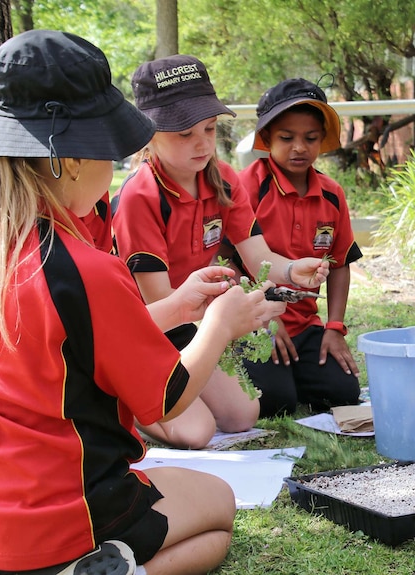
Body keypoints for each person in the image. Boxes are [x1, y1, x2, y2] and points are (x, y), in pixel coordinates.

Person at [0, 30, 271, 575]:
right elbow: (166, 400)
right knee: (219, 510)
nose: (116, 168)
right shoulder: (83, 268)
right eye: (111, 151)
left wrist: (177, 309)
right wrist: (220, 325)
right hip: (60, 514)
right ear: (71, 161)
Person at [112, 55, 328, 447]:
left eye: (209, 128)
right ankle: (120, 396)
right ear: (148, 133)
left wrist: (293, 270)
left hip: (192, 322)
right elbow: (164, 306)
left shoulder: (223, 177)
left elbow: (260, 258)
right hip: (152, 327)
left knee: (242, 416)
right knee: (197, 432)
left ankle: (154, 397)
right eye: (184, 133)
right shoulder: (140, 196)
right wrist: (226, 317)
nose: (202, 143)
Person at [236, 78, 363, 418]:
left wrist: (334, 328)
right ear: (267, 139)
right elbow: (231, 263)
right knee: (277, 401)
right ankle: (270, 373)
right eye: (286, 138)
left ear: (322, 139)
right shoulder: (247, 186)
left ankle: (292, 370)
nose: (299, 148)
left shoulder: (332, 194)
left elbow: (340, 263)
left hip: (306, 327)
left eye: (310, 138)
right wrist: (262, 320)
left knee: (343, 393)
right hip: (253, 321)